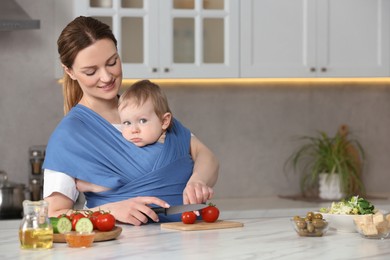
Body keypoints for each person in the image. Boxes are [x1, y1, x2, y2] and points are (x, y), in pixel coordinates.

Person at [43, 16, 219, 225]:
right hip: (122, 248)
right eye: (91, 71)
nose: (107, 77)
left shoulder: (142, 108)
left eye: (112, 62)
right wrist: (108, 210)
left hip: (187, 240)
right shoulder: (70, 135)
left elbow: (205, 155)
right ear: (69, 71)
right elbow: (53, 214)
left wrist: (198, 180)